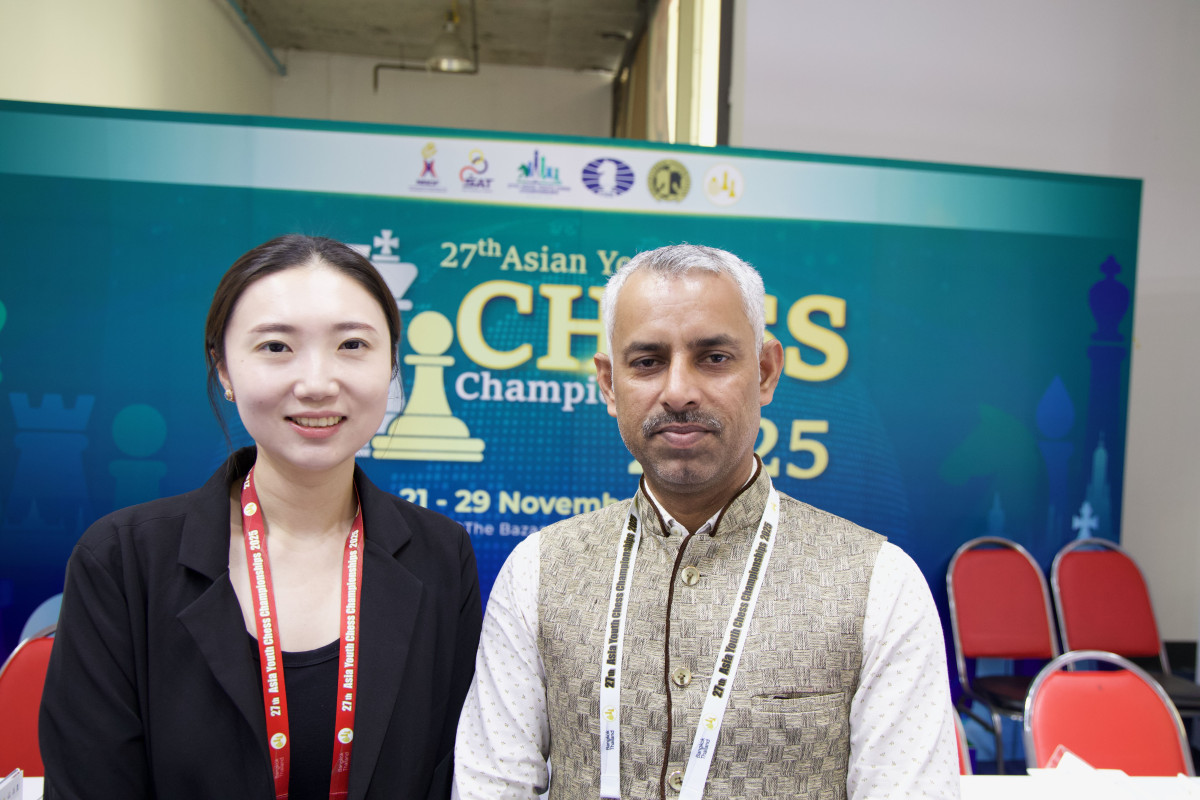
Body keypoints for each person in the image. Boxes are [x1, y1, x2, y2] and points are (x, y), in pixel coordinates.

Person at [453, 244, 959, 799]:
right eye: (647, 362)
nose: (678, 392)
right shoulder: (539, 571)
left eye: (714, 358)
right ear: (609, 384)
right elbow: (492, 785)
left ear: (765, 372)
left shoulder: (879, 584)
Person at [40, 234, 482, 799]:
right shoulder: (122, 560)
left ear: (392, 364)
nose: (317, 384)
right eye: (276, 346)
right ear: (223, 368)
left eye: (352, 345)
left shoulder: (441, 555)